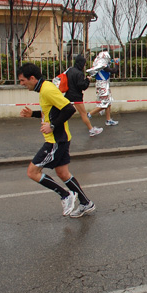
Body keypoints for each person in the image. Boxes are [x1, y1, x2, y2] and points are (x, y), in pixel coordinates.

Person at [17, 62, 96, 218]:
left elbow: (68, 109)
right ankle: (86, 203)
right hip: (62, 138)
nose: (22, 84)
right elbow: (52, 112)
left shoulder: (47, 90)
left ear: (32, 78)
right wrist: (32, 114)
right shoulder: (44, 88)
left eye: (22, 80)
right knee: (63, 173)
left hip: (55, 140)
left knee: (32, 172)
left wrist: (52, 126)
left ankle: (65, 195)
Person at [64, 54, 103, 137]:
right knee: (83, 114)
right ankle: (91, 130)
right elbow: (83, 86)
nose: (84, 66)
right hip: (76, 96)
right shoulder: (79, 74)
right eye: (84, 64)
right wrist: (87, 80)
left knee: (63, 112)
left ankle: (57, 127)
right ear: (81, 63)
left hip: (68, 94)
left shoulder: (70, 70)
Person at [87, 51, 119, 126]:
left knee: (109, 102)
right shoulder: (101, 65)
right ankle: (89, 114)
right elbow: (114, 70)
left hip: (105, 84)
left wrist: (113, 61)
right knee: (104, 103)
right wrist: (117, 63)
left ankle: (108, 120)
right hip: (102, 85)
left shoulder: (102, 64)